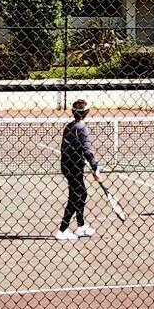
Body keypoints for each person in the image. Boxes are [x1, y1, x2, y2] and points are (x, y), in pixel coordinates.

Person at [57, 99, 102, 240]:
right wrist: (95, 168)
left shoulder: (69, 126)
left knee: (82, 194)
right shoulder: (82, 129)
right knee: (76, 196)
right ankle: (62, 230)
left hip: (68, 165)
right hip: (74, 167)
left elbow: (67, 148)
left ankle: (81, 226)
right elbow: (87, 150)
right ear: (87, 112)